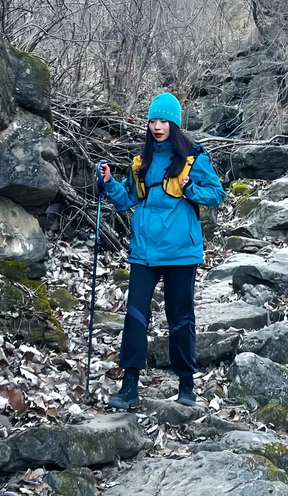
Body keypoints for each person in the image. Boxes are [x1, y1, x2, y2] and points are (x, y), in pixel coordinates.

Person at [98, 92, 225, 409]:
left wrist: (189, 189)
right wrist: (109, 182)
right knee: (135, 315)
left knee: (180, 317)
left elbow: (216, 194)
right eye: (153, 120)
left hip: (181, 253)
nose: (157, 126)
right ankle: (129, 386)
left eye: (163, 121)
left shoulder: (193, 159)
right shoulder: (142, 163)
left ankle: (186, 384)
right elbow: (127, 200)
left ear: (175, 124)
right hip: (145, 252)